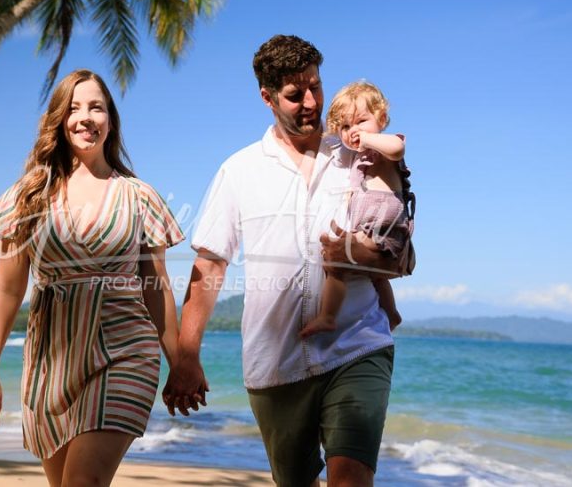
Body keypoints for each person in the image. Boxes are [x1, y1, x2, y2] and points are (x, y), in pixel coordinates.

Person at [163, 35, 400, 487]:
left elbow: (402, 249)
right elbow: (210, 267)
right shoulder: (240, 170)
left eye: (316, 86)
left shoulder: (362, 155)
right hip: (275, 364)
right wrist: (186, 354)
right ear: (267, 97)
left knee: (350, 478)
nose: (311, 102)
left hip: (358, 343)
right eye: (295, 94)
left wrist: (360, 254)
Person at [0, 69, 184, 487]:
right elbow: (8, 287)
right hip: (52, 361)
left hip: (126, 351)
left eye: (97, 107)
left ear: (111, 120)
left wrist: (181, 363)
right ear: (58, 119)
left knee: (84, 481)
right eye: (74, 108)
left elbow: (155, 286)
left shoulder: (140, 196)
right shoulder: (26, 196)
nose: (86, 118)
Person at [300, 81, 414, 337]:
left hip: (385, 227)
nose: (354, 131)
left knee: (336, 264)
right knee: (376, 277)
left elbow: (398, 148)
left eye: (361, 121)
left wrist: (368, 138)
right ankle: (392, 313)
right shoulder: (357, 157)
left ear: (381, 119)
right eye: (345, 126)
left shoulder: (384, 147)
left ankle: (328, 316)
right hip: (371, 228)